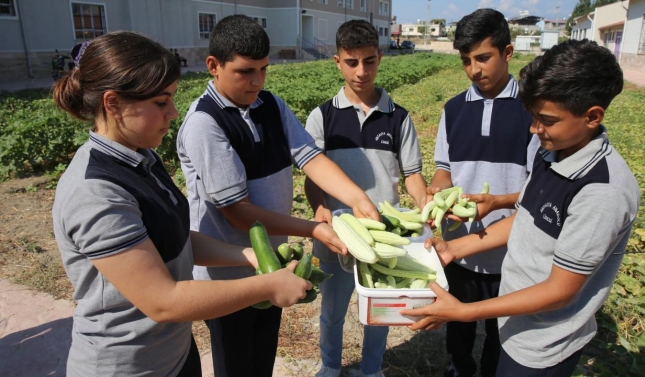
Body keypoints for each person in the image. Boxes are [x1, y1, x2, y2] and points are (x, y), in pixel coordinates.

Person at [51, 31, 312, 377]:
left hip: (173, 353)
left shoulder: (141, 158)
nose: (173, 113)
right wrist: (268, 286)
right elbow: (163, 301)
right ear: (112, 104)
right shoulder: (96, 192)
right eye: (161, 103)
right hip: (127, 365)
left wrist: (246, 255)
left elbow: (174, 239)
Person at [403, 39, 640, 377]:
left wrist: (465, 312)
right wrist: (454, 248)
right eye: (533, 117)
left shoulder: (602, 191)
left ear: (592, 116)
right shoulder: (554, 154)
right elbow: (525, 219)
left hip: (542, 345)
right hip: (516, 325)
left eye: (546, 120)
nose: (534, 129)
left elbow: (559, 290)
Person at [176, 15, 380, 377]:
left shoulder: (270, 105)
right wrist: (313, 229)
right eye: (245, 71)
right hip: (229, 278)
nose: (257, 81)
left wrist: (357, 197)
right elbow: (239, 214)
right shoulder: (205, 124)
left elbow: (310, 157)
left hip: (272, 264)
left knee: (262, 359)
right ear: (213, 66)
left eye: (264, 69)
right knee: (237, 363)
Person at [304, 20, 427, 377]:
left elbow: (413, 176)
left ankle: (371, 370)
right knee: (332, 309)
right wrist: (320, 208)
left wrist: (424, 206)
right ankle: (330, 366)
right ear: (337, 62)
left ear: (380, 57)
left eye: (369, 61)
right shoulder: (322, 116)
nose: (362, 71)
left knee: (380, 310)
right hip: (336, 236)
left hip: (381, 233)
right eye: (352, 62)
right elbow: (312, 175)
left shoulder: (398, 118)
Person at [425, 8, 540, 377]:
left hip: (510, 249)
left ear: (507, 53)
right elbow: (444, 166)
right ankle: (459, 366)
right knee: (458, 322)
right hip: (457, 246)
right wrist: (439, 187)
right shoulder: (454, 109)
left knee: (500, 328)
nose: (475, 69)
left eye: (483, 58)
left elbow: (539, 186)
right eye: (466, 61)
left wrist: (498, 203)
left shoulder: (532, 110)